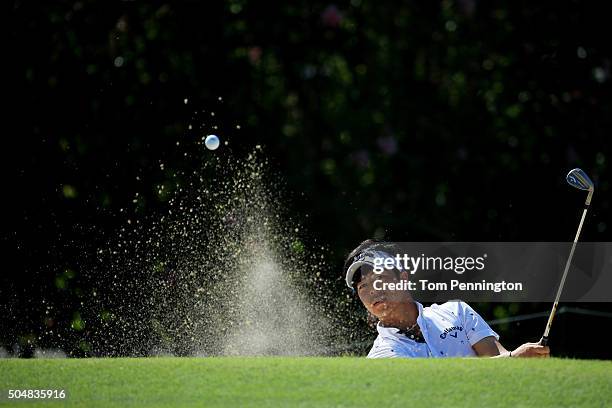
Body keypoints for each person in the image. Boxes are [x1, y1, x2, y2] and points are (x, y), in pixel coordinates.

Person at [344, 240, 550, 358]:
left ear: (403, 278)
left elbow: (497, 358)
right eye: (363, 286)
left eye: (380, 279)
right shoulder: (381, 355)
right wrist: (514, 358)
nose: (373, 291)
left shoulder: (456, 311)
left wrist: (518, 359)